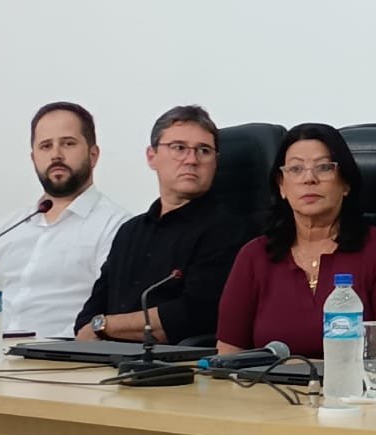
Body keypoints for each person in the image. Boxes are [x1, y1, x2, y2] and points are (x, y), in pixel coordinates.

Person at [215, 123, 376, 366]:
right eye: (296, 169)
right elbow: (228, 355)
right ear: (282, 186)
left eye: (324, 167)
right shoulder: (254, 256)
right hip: (269, 390)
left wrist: (300, 368)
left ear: (345, 183)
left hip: (361, 390)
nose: (309, 179)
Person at [74, 105, 249, 345]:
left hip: (171, 362)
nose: (192, 160)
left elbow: (192, 315)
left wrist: (104, 326)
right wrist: (96, 327)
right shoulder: (129, 231)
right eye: (179, 148)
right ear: (151, 156)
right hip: (105, 357)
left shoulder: (229, 229)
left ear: (215, 162)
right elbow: (87, 317)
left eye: (204, 151)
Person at [0, 102, 129, 338]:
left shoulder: (116, 226)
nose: (56, 155)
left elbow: (107, 310)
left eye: (68, 143)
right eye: (46, 146)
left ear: (93, 155)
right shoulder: (10, 226)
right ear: (34, 158)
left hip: (58, 355)